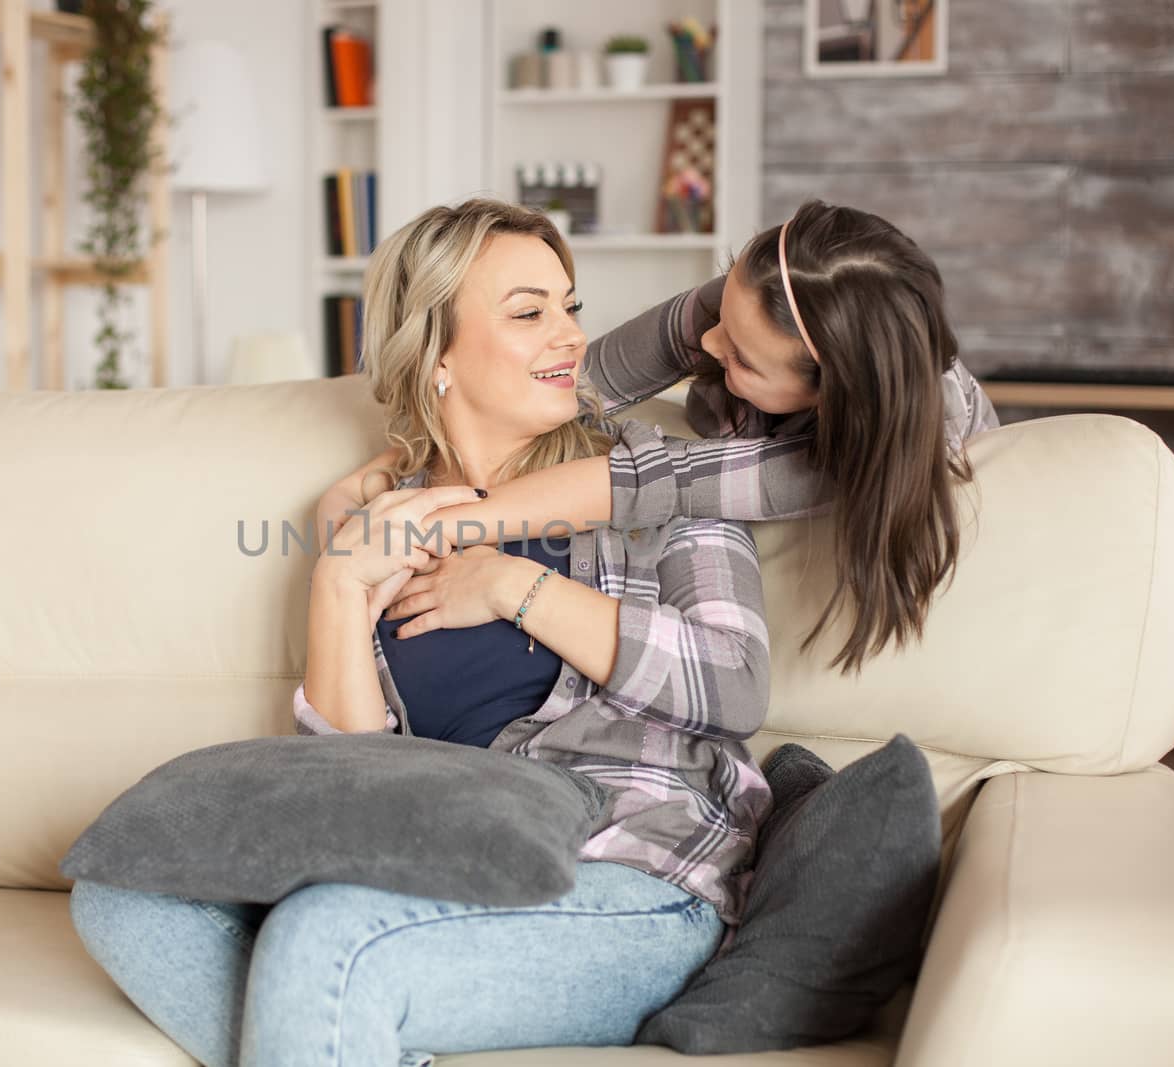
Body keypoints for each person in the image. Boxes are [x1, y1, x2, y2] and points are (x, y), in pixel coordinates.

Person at [68, 198, 776, 1067]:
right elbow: (348, 780)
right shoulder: (383, 518)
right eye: (529, 312)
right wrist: (336, 582)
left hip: (632, 874)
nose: (571, 337)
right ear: (435, 354)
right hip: (444, 870)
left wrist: (516, 585)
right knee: (125, 891)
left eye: (570, 305)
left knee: (331, 936)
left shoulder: (651, 479)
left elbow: (733, 680)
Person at [323, 197, 1001, 675]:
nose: (704, 344)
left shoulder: (855, 443)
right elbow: (577, 380)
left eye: (738, 356)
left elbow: (652, 483)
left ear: (823, 392)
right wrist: (410, 456)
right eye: (718, 314)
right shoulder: (771, 293)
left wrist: (462, 526)